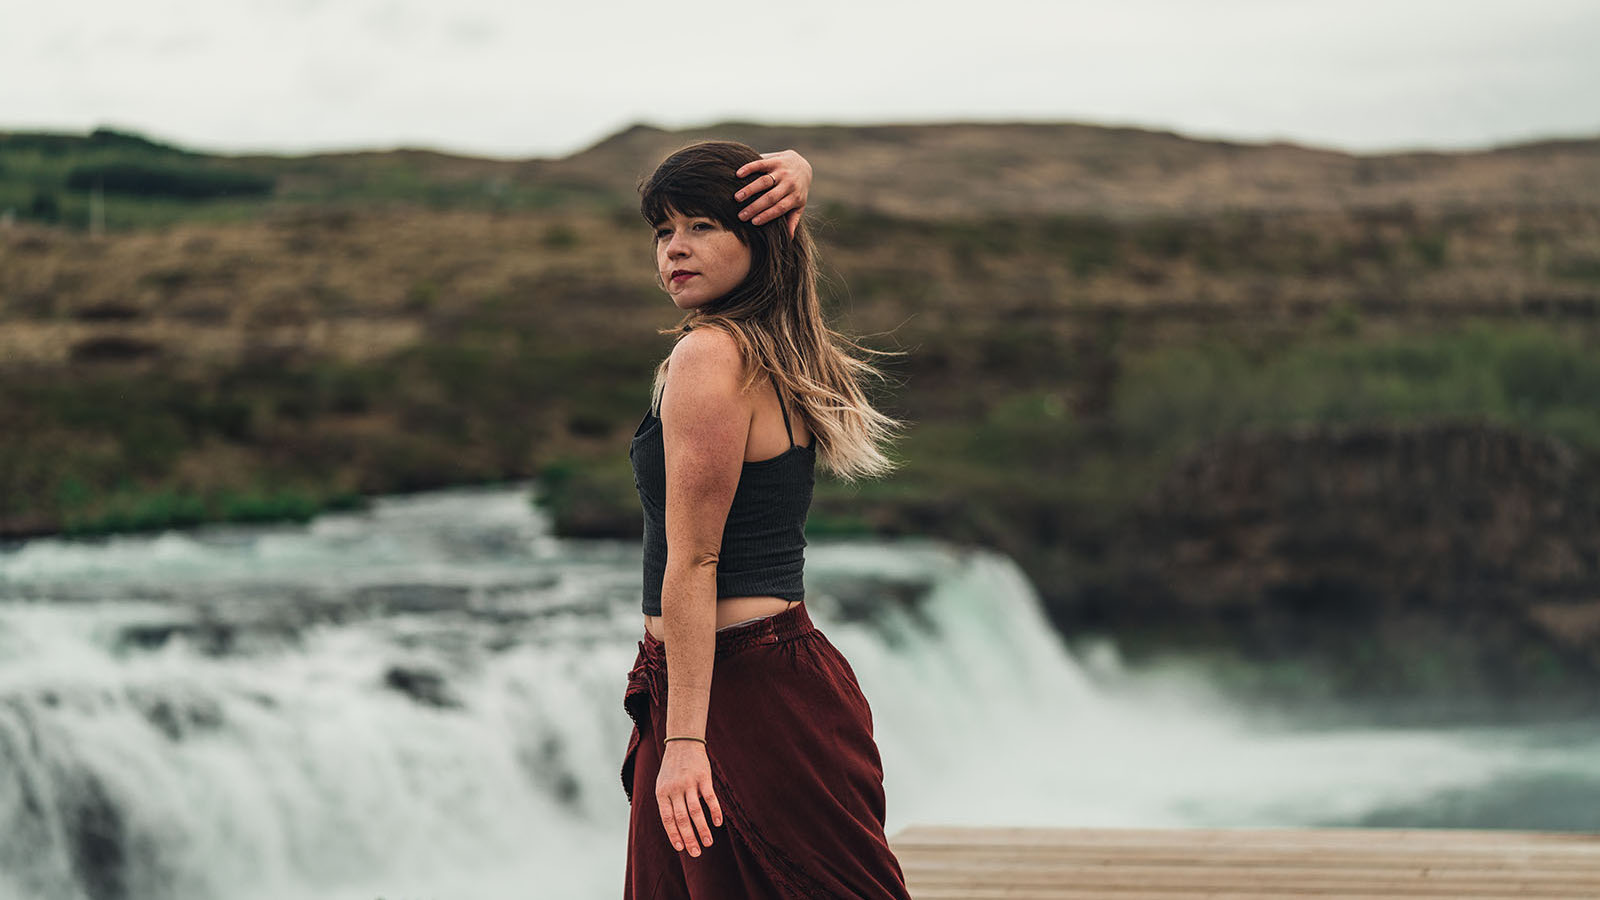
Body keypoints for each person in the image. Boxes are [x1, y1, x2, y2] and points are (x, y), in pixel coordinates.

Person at [621, 140, 913, 898]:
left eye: (703, 226)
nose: (675, 248)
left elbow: (694, 562)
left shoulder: (711, 357)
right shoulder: (781, 349)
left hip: (736, 697)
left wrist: (686, 739)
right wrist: (799, 176)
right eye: (663, 230)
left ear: (759, 235)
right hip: (773, 682)